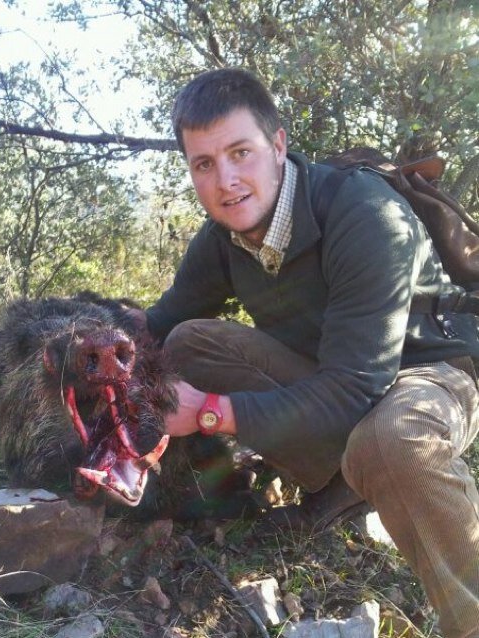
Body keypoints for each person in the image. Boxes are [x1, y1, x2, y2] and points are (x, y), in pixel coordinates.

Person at [143, 67, 479, 638]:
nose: (226, 181)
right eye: (204, 164)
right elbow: (162, 320)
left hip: (431, 370)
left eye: (240, 152)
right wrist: (92, 342)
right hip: (339, 378)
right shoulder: (223, 237)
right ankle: (339, 485)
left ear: (278, 145)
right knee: (190, 342)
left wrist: (207, 411)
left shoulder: (366, 213)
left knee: (391, 438)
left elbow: (354, 389)